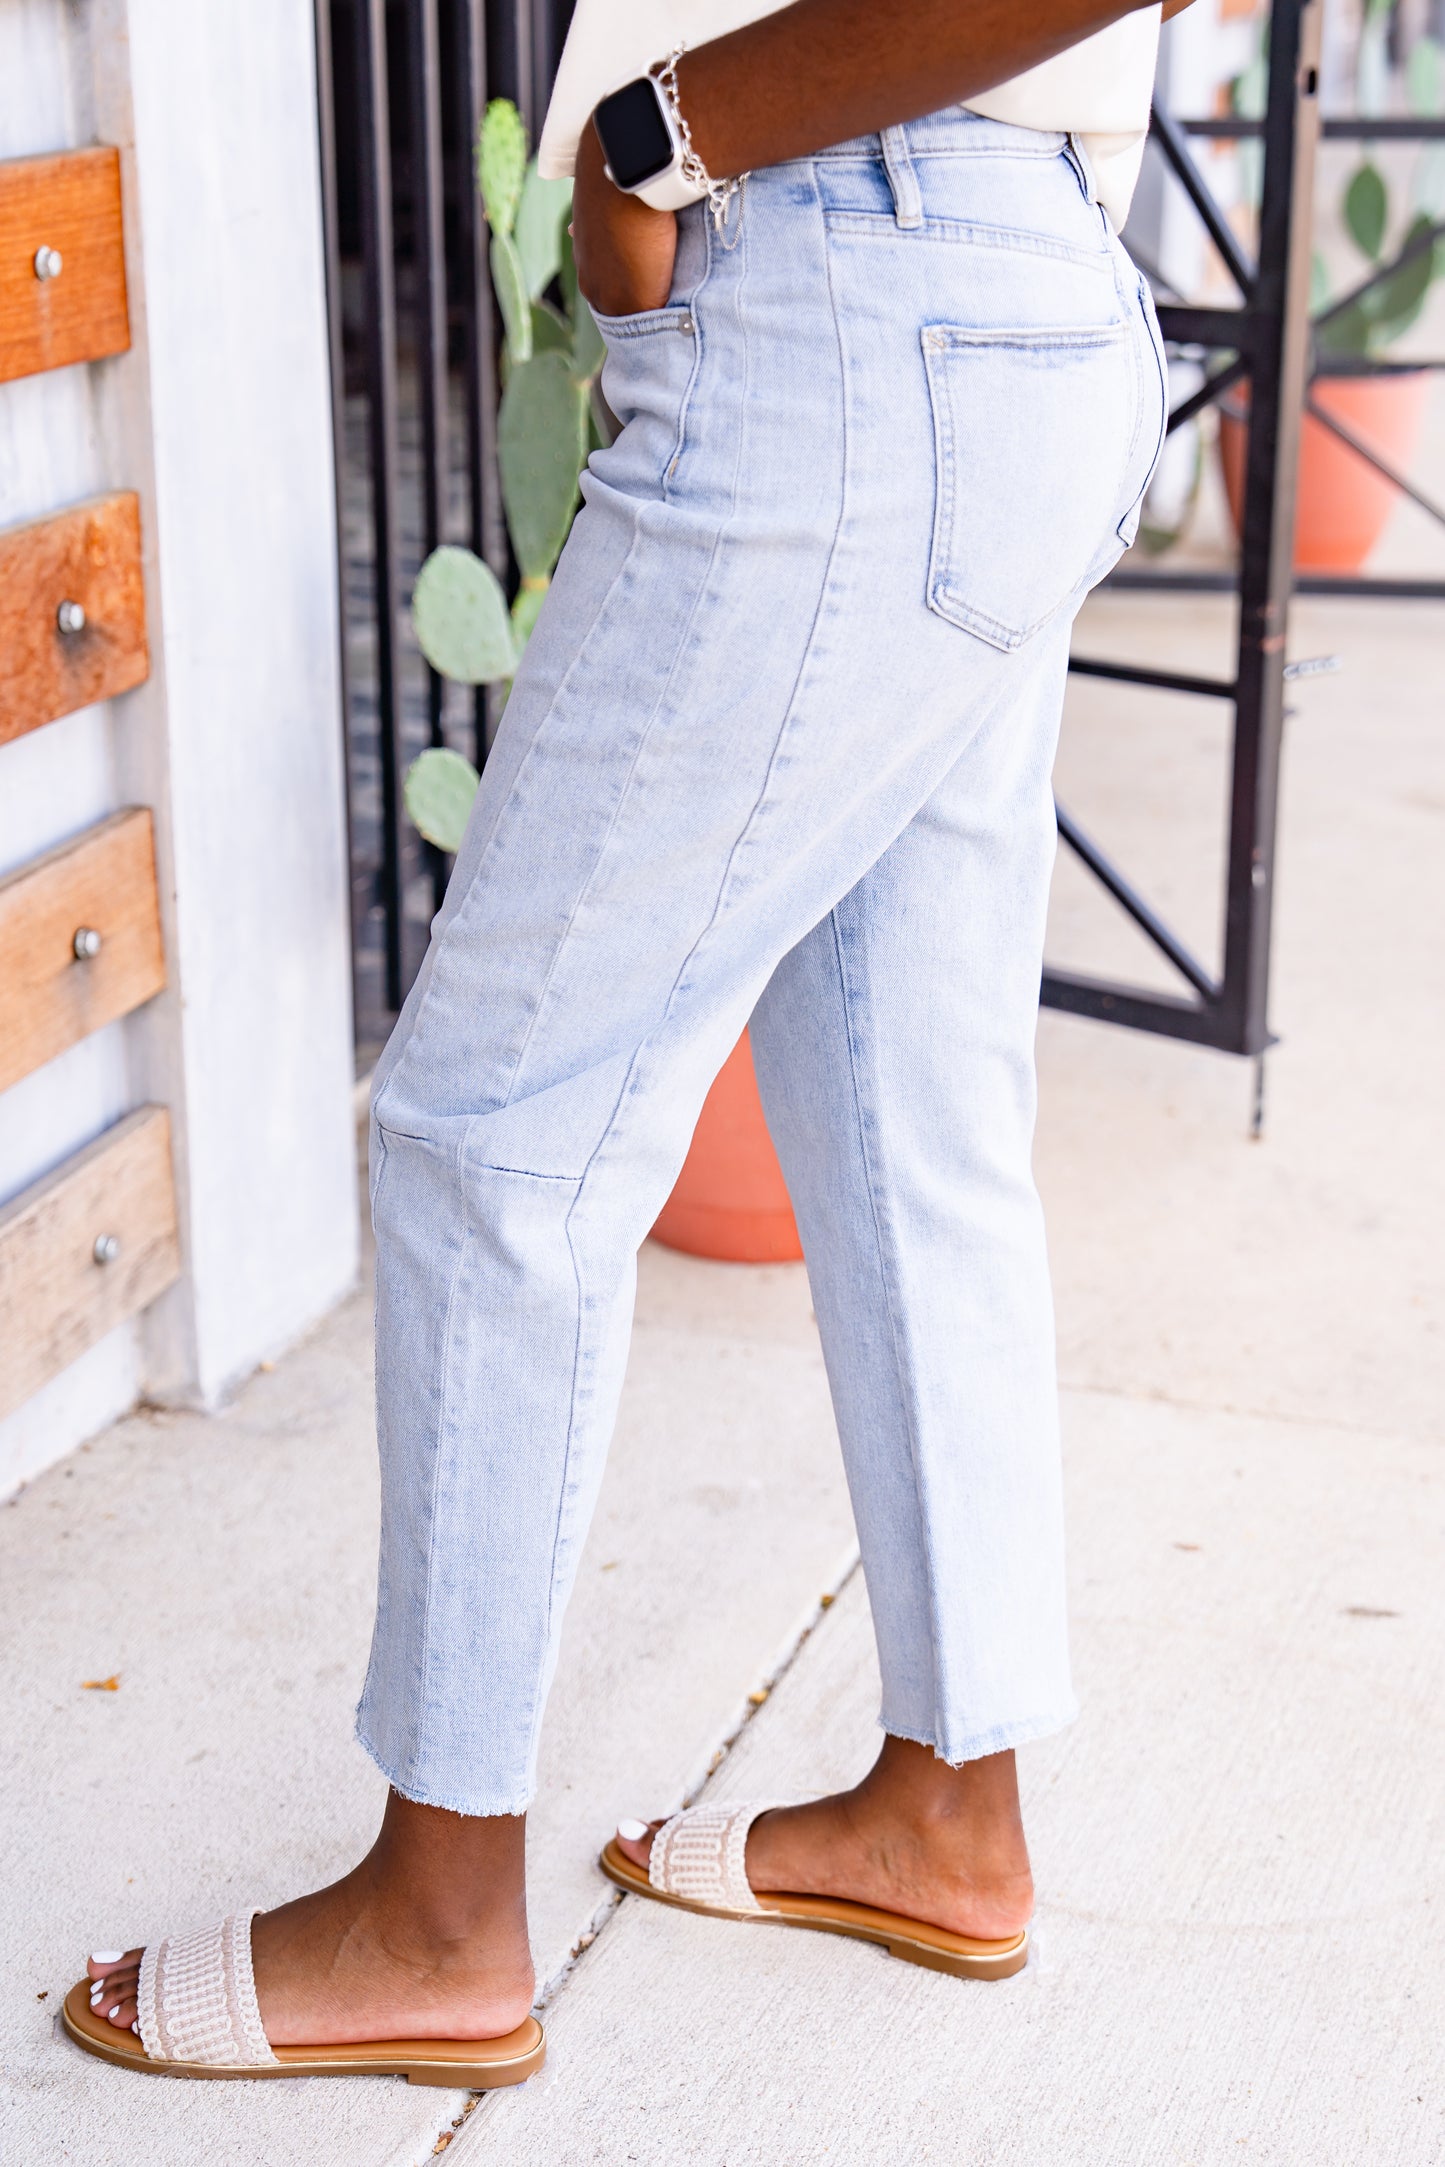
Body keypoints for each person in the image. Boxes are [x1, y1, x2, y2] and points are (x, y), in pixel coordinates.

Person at [72, 0, 1181, 2084]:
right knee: (902, 1106)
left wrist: (665, 131)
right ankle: (954, 1802)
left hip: (849, 276)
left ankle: (435, 1910)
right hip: (996, 281)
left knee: (500, 1122)